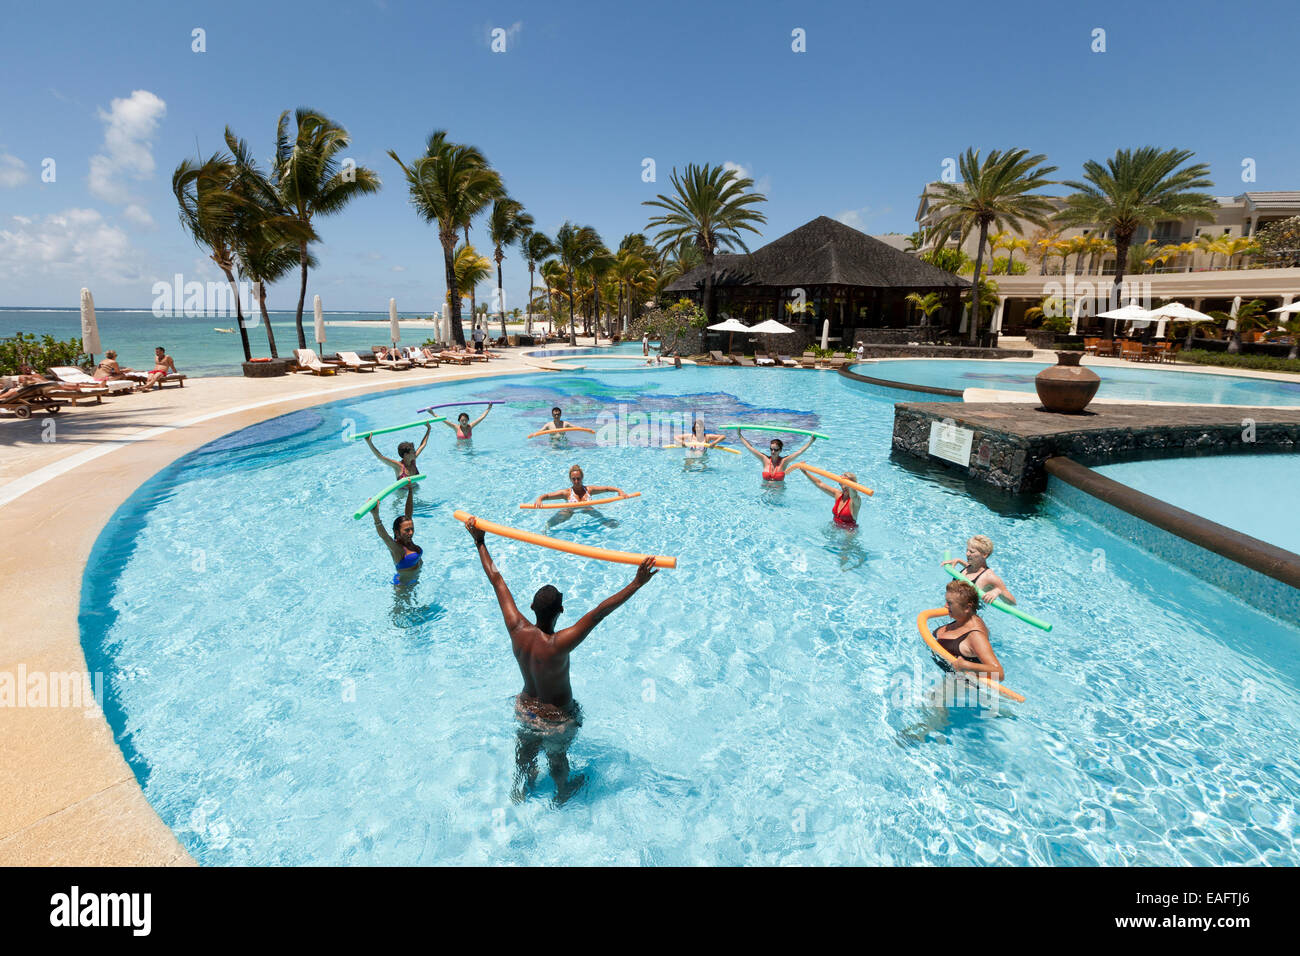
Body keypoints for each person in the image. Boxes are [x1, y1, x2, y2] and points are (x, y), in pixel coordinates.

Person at [463, 515, 657, 804]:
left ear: (530, 606)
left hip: (526, 709)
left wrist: (479, 542)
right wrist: (636, 583)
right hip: (556, 719)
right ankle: (562, 791)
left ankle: (522, 788)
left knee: (525, 753)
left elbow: (497, 580)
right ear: (562, 610)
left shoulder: (516, 629)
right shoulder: (559, 644)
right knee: (557, 758)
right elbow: (599, 613)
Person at [930, 580, 1005, 683]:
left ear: (967, 607)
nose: (945, 606)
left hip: (959, 683)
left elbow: (999, 673)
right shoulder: (962, 617)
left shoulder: (975, 636)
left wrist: (967, 666)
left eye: (950, 603)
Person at [941, 535, 1016, 606]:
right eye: (967, 550)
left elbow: (1013, 602)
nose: (967, 554)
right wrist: (959, 560)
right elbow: (971, 573)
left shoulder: (989, 577)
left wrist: (998, 591)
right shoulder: (972, 567)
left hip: (966, 615)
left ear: (984, 555)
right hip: (951, 607)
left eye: (972, 552)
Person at [371, 484, 422, 586]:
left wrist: (410, 491)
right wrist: (376, 516)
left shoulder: (408, 540)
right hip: (403, 586)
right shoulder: (397, 549)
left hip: (415, 579)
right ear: (397, 532)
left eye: (412, 529)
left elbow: (408, 513)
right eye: (407, 530)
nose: (411, 533)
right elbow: (384, 536)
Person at [737, 430, 815, 482]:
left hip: (779, 495)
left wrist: (811, 441)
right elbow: (749, 447)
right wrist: (739, 435)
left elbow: (800, 451)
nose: (773, 452)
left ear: (780, 450)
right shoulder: (764, 459)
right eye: (771, 449)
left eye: (776, 450)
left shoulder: (784, 461)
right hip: (765, 493)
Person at [533, 464, 624, 508]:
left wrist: (619, 491)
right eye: (573, 479)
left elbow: (607, 489)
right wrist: (539, 499)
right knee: (561, 516)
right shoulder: (566, 493)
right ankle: (547, 529)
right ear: (570, 479)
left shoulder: (589, 490)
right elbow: (547, 496)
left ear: (582, 477)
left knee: (597, 514)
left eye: (578, 478)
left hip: (587, 509)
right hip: (571, 510)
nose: (576, 481)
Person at [364, 423, 431, 479]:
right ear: (406, 455)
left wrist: (428, 429)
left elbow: (423, 444)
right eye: (413, 452)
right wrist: (369, 442)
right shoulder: (398, 466)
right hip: (403, 493)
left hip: (415, 489)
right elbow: (381, 457)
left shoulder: (413, 459)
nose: (415, 453)